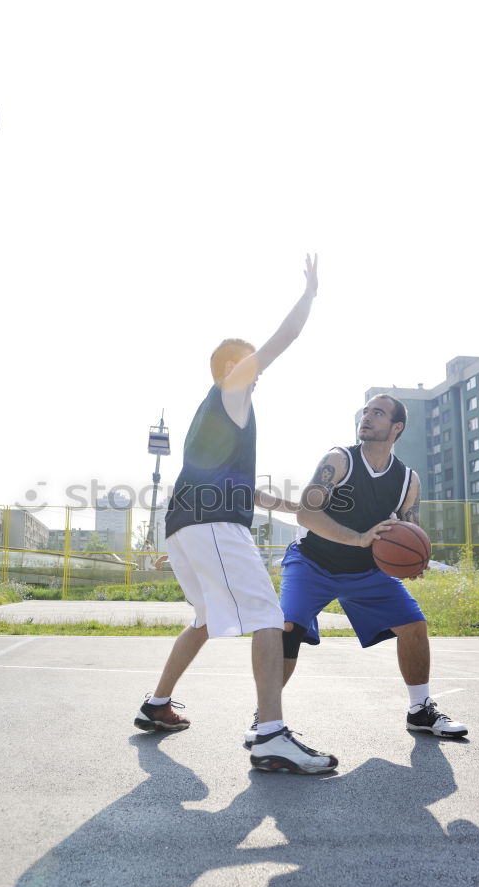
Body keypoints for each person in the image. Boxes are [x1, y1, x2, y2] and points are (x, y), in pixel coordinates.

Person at [133, 255, 339, 775]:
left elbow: (244, 491)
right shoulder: (230, 391)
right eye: (250, 363)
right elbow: (282, 339)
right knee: (270, 616)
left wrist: (294, 508)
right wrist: (309, 296)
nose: (258, 370)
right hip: (210, 526)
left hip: (185, 524)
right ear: (234, 368)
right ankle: (271, 734)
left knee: (205, 618)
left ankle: (157, 703)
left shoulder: (225, 415)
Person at [245, 393, 468, 746]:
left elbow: (411, 530)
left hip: (366, 571)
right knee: (287, 626)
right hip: (313, 562)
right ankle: (266, 717)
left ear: (396, 427)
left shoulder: (408, 480)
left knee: (414, 626)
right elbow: (306, 514)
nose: (366, 417)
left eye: (377, 413)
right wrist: (360, 537)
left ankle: (420, 710)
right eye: (365, 412)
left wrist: (418, 561)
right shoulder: (339, 460)